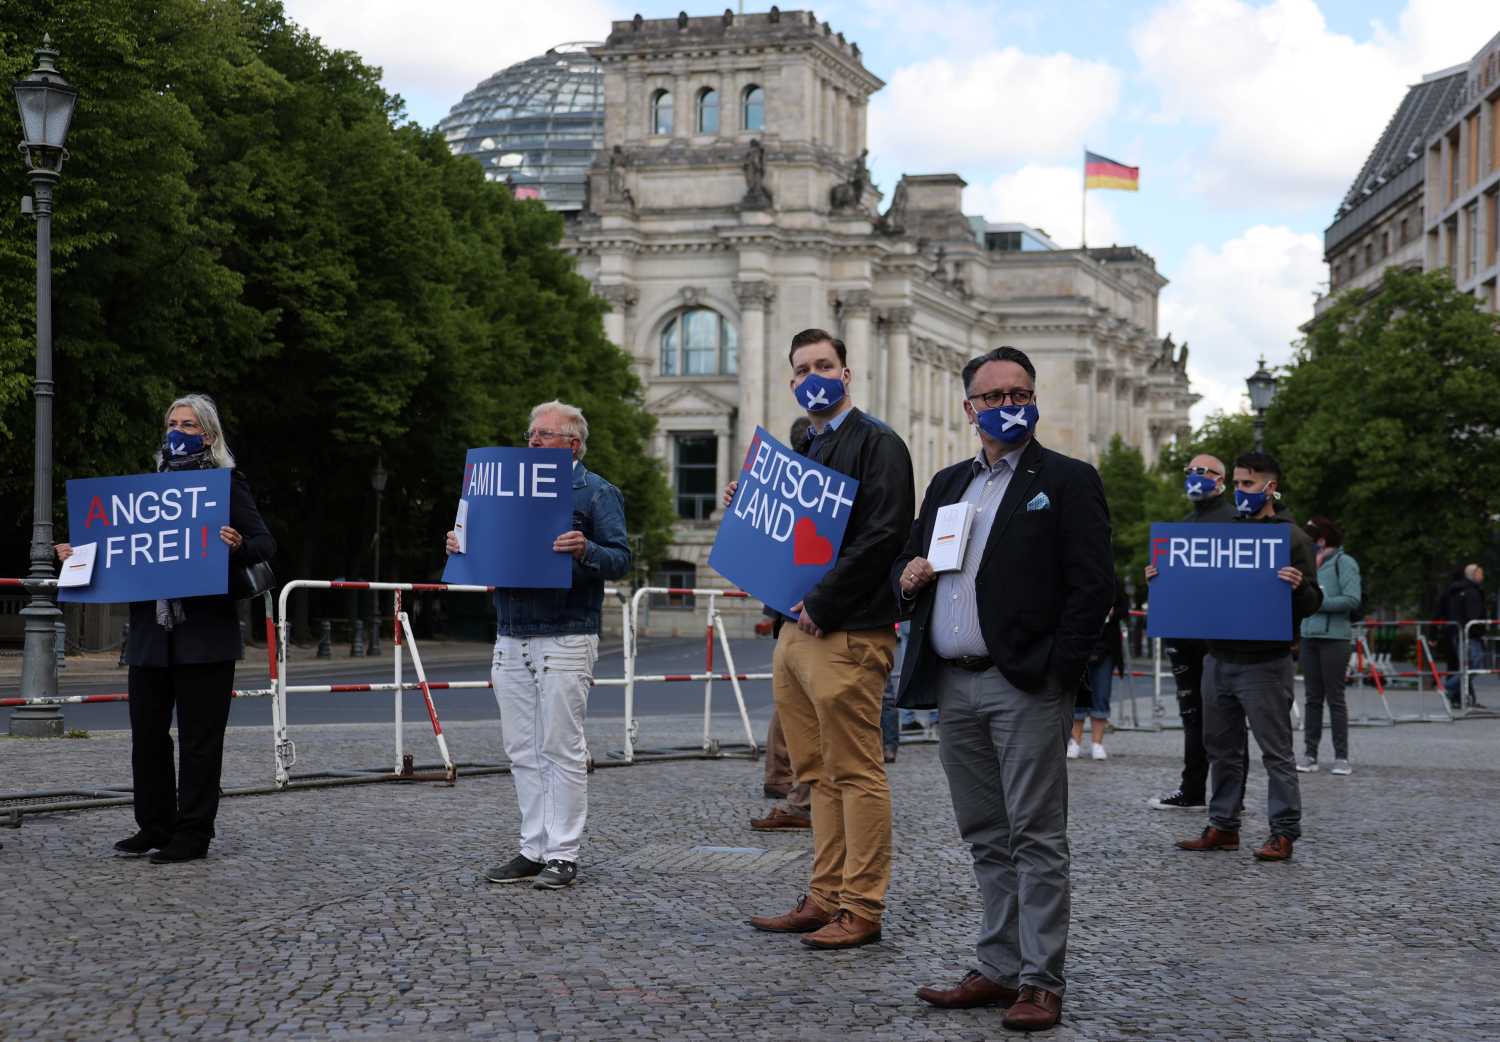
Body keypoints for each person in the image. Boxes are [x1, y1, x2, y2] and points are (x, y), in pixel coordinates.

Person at [895, 346, 1113, 1032]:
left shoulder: (1068, 480)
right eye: (993, 396)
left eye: (1019, 390)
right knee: (986, 833)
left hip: (1024, 684)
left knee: (1037, 837)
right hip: (955, 687)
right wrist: (907, 578)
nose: (1007, 403)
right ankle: (996, 966)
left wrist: (1059, 672)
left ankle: (1041, 980)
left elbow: (1093, 586)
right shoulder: (949, 483)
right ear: (970, 409)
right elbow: (913, 559)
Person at [731, 328, 914, 950]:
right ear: (791, 380)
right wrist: (748, 504)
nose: (815, 375)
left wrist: (826, 601)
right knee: (816, 772)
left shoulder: (879, 442)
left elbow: (885, 534)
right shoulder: (803, 441)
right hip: (795, 628)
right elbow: (795, 531)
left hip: (848, 629)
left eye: (825, 365)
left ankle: (861, 906)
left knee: (856, 771)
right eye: (803, 367)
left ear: (846, 373)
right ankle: (825, 895)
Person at [58, 393, 275, 864]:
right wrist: (79, 556)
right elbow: (120, 552)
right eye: (173, 422)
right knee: (148, 737)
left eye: (190, 425)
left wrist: (236, 545)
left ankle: (193, 833)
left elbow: (264, 543)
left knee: (200, 741)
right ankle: (154, 825)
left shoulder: (225, 484)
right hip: (150, 637)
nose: (178, 430)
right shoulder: (143, 492)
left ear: (209, 435)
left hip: (204, 636)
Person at [449, 401, 631, 891]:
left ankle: (564, 853)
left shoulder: (596, 492)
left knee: (560, 746)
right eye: (530, 433)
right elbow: (487, 546)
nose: (532, 441)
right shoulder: (503, 489)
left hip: (567, 632)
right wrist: (461, 546)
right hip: (510, 631)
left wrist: (586, 549)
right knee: (521, 747)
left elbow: (620, 559)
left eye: (545, 435)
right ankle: (533, 847)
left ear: (573, 443)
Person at [1172, 451, 1321, 863]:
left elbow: (1313, 602)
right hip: (1217, 657)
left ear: (1270, 487)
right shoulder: (1224, 531)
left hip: (1265, 662)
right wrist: (1165, 575)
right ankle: (1223, 826)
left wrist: (1298, 587)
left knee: (1276, 752)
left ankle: (1284, 833)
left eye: (1248, 484)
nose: (1240, 491)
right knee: (1221, 749)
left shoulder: (1291, 538)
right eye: (1237, 483)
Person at [1148, 453, 1236, 810]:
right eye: (1189, 472)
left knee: (1226, 719)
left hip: (1222, 637)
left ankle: (1231, 795)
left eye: (1202, 472)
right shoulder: (1183, 525)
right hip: (1185, 635)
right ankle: (1194, 789)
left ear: (1221, 480)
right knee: (1192, 715)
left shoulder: (1237, 522)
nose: (1194, 477)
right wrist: (1157, 576)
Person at [753, 416, 814, 831]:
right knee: (797, 705)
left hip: (802, 608)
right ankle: (796, 791)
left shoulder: (800, 484)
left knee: (792, 704)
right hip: (802, 611)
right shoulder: (806, 484)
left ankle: (791, 787)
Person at [1298, 516, 1361, 776]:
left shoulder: (1345, 564)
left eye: (1308, 538)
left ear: (1321, 540)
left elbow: (1351, 599)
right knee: (1312, 699)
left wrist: (1317, 602)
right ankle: (1310, 754)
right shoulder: (1307, 565)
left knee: (1335, 699)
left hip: (1335, 639)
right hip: (1308, 637)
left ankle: (1341, 757)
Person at [1068, 577, 1127, 761]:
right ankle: (1075, 742)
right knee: (1076, 696)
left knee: (1101, 695)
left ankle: (1097, 743)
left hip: (1106, 648)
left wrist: (1111, 613)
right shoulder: (1075, 574)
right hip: (1078, 645)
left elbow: (1124, 608)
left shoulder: (1114, 581)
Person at [1439, 564, 1487, 709]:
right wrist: (1480, 629)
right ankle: (1449, 687)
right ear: (1473, 575)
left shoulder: (1458, 590)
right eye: (1480, 573)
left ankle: (1458, 694)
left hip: (1458, 632)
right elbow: (1474, 615)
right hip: (1469, 634)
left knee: (1468, 666)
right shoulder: (1471, 592)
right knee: (1474, 666)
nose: (1482, 576)